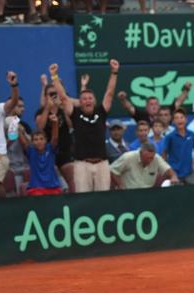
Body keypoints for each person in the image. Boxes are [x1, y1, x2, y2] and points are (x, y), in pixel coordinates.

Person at [50, 60, 119, 193]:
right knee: (83, 199)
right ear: (80, 102)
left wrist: (114, 72)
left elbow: (110, 92)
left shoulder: (101, 111)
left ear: (94, 100)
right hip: (82, 164)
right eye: (84, 99)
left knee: (103, 199)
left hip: (102, 164)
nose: (87, 100)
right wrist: (54, 76)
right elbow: (63, 98)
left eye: (90, 98)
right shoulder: (75, 113)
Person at [35, 84, 74, 191]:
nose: (53, 96)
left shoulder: (64, 109)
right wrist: (47, 108)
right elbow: (40, 127)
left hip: (65, 151)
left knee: (72, 178)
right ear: (45, 96)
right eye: (50, 94)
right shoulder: (41, 112)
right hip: (48, 152)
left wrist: (63, 108)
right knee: (53, 183)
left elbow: (71, 125)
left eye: (55, 94)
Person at [19, 114, 62, 196]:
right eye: (36, 139)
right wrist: (17, 129)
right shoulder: (31, 151)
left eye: (41, 139)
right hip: (36, 189)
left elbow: (55, 138)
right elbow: (24, 143)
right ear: (32, 142)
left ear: (46, 140)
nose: (39, 141)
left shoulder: (50, 149)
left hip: (53, 188)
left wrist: (55, 123)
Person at [111, 143, 179, 189]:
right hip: (129, 192)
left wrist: (174, 176)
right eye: (147, 158)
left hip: (148, 193)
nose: (149, 161)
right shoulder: (127, 157)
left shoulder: (156, 158)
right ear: (140, 153)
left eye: (151, 158)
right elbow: (113, 171)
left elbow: (168, 170)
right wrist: (120, 186)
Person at [163, 108, 194, 184]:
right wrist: (169, 171)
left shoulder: (192, 135)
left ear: (186, 119)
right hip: (175, 174)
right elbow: (164, 154)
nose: (179, 120)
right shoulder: (170, 137)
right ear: (173, 121)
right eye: (176, 118)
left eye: (181, 117)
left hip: (190, 172)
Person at [5, 98, 31, 193]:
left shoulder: (24, 125)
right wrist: (15, 129)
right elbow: (11, 140)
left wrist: (22, 132)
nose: (23, 109)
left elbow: (28, 145)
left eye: (23, 106)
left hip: (24, 167)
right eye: (19, 106)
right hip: (10, 169)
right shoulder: (3, 123)